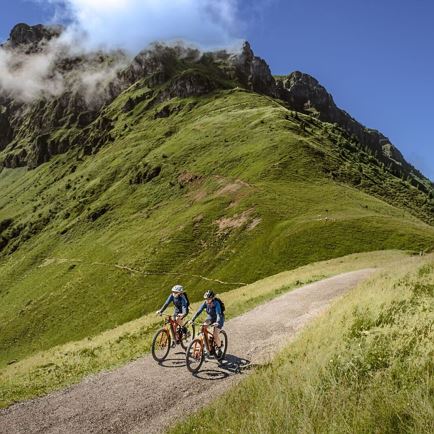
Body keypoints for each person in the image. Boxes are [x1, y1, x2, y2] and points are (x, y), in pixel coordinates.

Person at [189, 290, 224, 356]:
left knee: (215, 335)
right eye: (206, 299)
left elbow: (218, 314)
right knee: (202, 328)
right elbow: (198, 311)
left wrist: (217, 322)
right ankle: (208, 347)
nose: (207, 300)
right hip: (210, 317)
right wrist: (192, 319)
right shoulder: (205, 303)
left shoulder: (216, 303)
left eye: (209, 299)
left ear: (212, 298)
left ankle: (219, 348)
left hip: (219, 319)